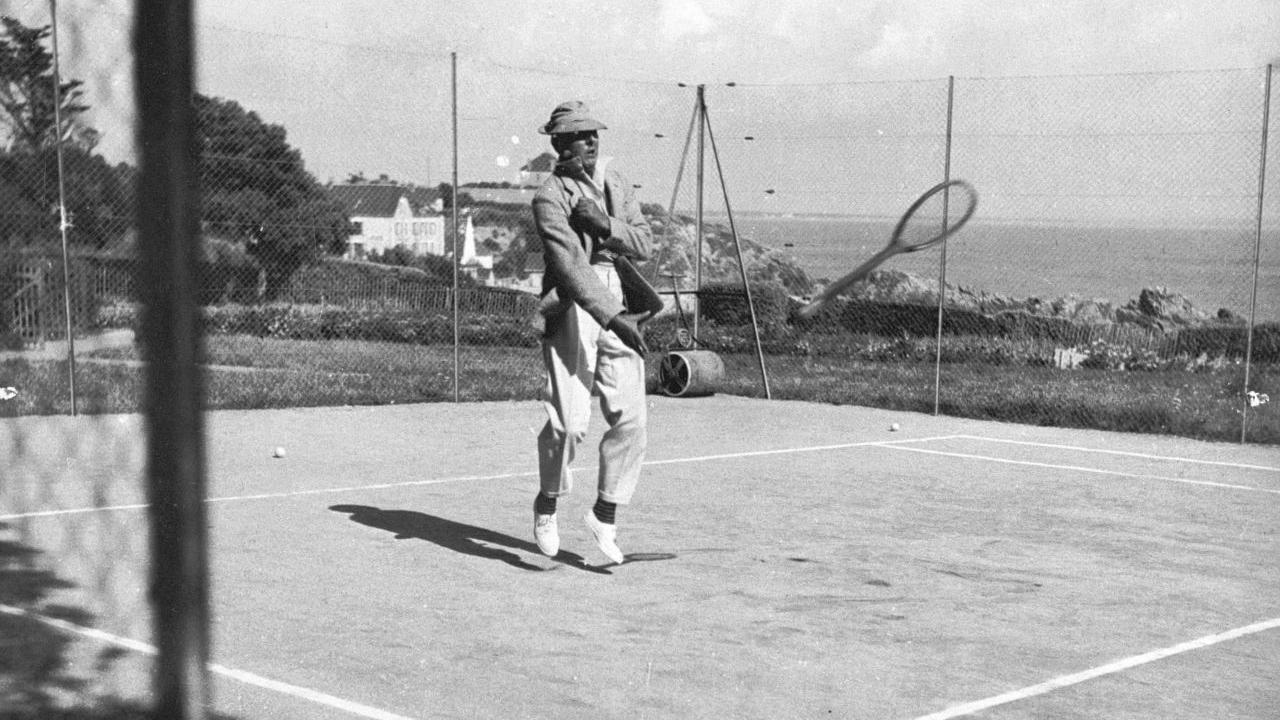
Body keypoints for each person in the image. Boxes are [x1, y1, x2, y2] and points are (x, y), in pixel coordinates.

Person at [529, 100, 660, 565]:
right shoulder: (549, 196)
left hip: (620, 296)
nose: (591, 142)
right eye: (580, 136)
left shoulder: (617, 183)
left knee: (632, 419)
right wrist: (612, 316)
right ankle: (547, 505)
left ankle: (604, 516)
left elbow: (644, 243)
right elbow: (569, 269)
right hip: (574, 303)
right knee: (569, 423)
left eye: (595, 134)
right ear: (559, 144)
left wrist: (606, 225)